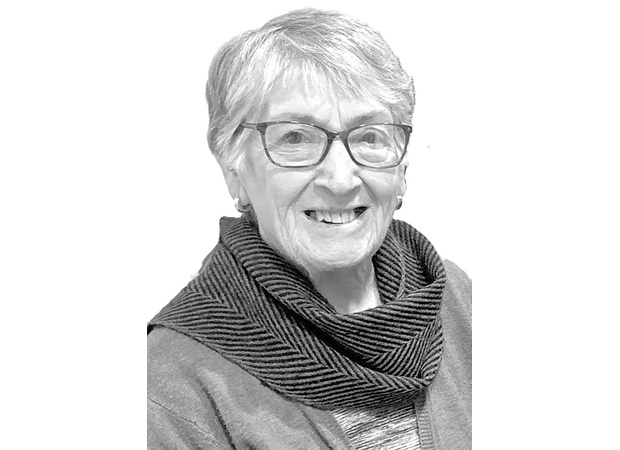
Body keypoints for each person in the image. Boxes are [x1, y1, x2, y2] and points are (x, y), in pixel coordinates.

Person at [147, 8, 471, 450]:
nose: (340, 180)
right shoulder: (171, 387)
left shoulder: (457, 299)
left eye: (369, 136)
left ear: (402, 168)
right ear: (234, 172)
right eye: (295, 138)